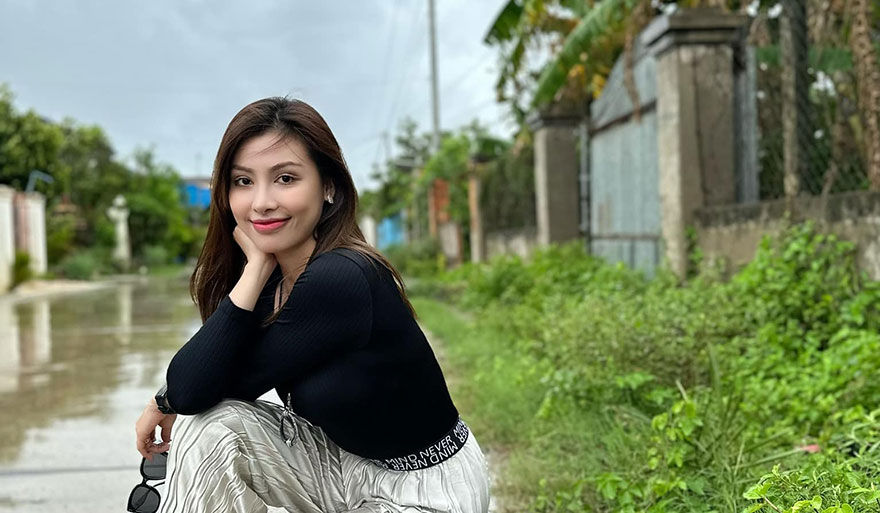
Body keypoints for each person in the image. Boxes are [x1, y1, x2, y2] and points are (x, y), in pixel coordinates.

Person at [133, 97, 491, 513]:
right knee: (212, 428)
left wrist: (167, 402)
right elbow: (196, 388)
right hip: (343, 468)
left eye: (285, 178)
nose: (261, 202)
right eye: (243, 181)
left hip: (424, 490)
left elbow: (194, 389)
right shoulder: (275, 280)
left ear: (329, 186)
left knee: (205, 417)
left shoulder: (341, 277)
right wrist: (256, 270)